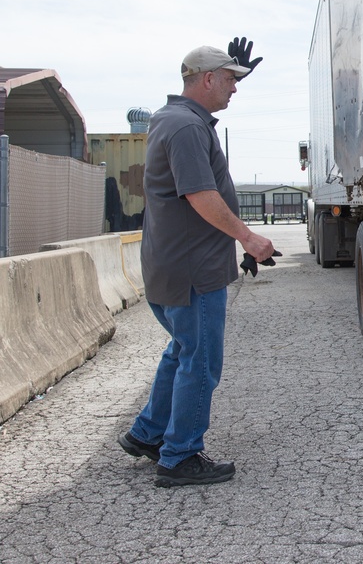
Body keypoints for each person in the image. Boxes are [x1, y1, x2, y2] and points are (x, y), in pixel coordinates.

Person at [118, 39, 274, 488]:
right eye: (228, 80)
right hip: (192, 270)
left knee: (182, 350)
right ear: (206, 79)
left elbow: (194, 193)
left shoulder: (176, 118)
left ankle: (148, 433)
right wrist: (248, 236)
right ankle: (180, 455)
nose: (235, 90)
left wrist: (232, 69)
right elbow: (199, 195)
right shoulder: (186, 127)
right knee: (201, 361)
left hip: (174, 263)